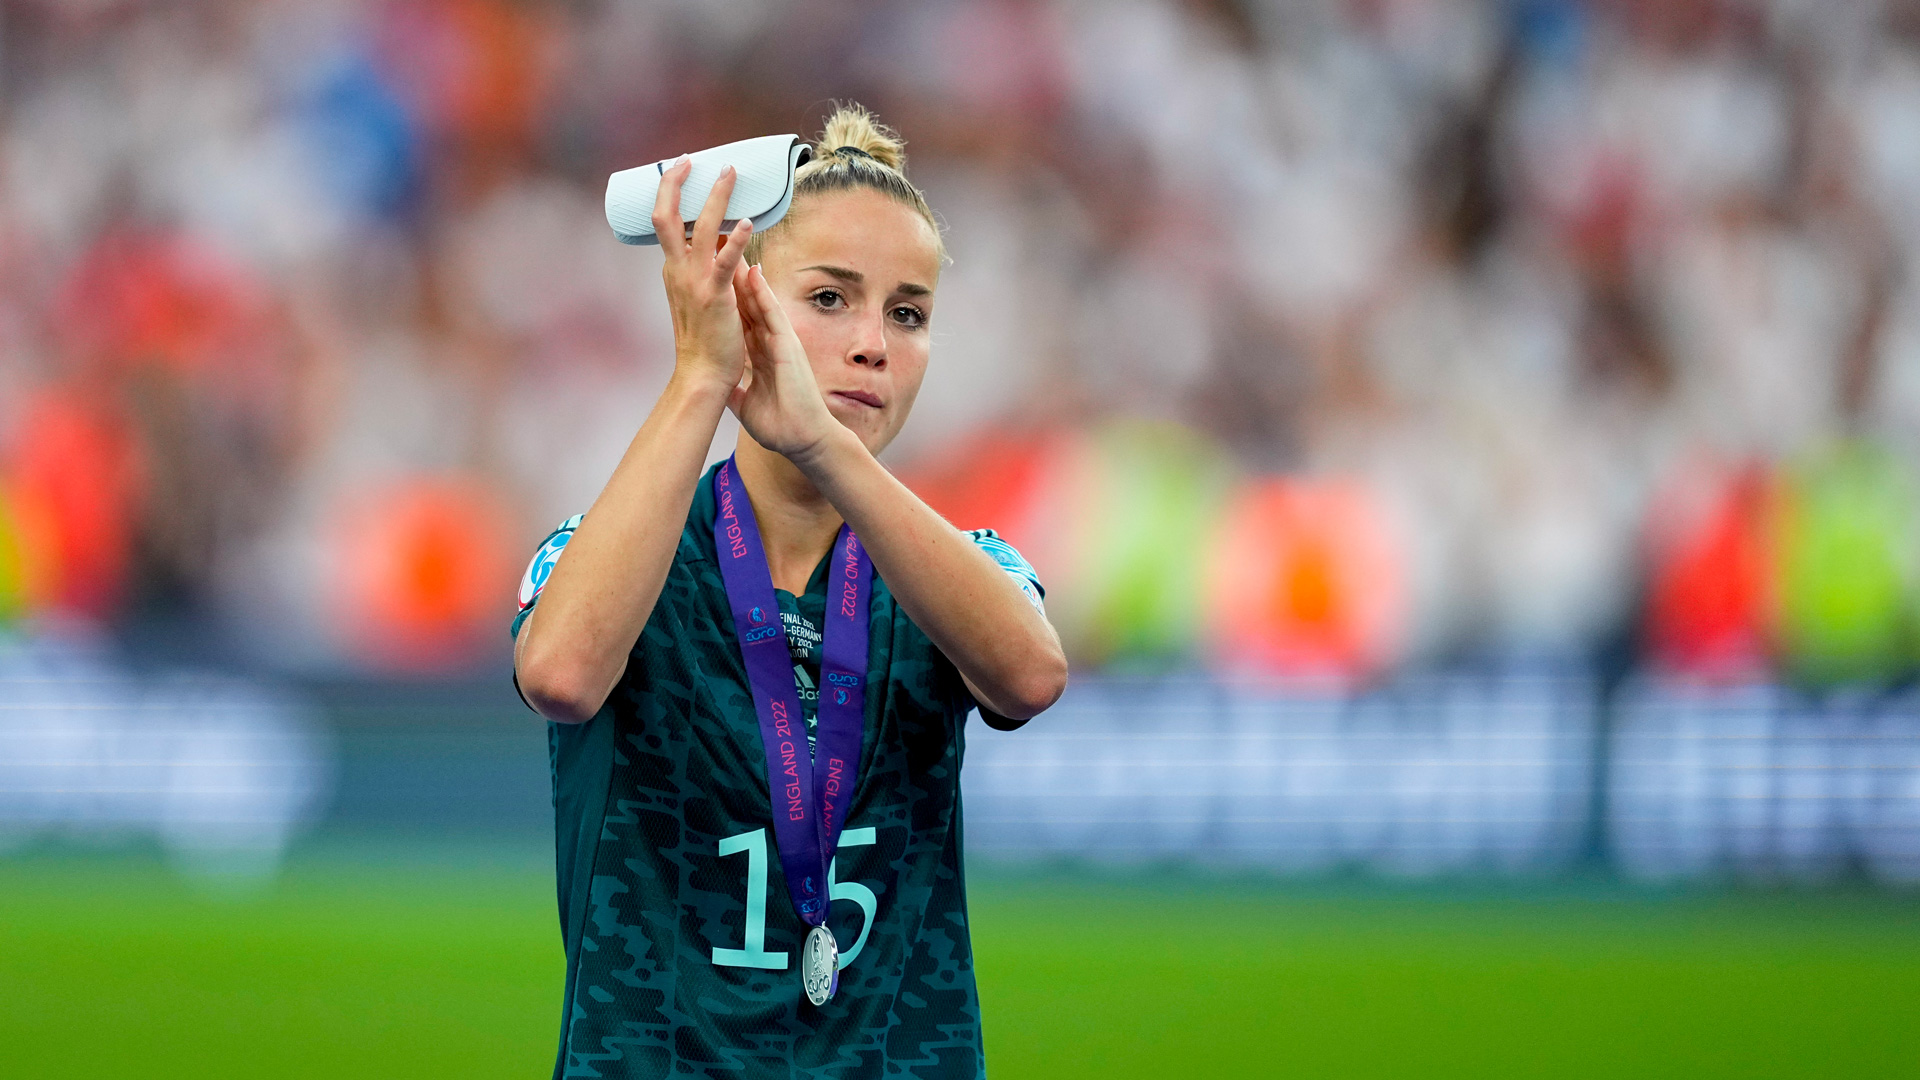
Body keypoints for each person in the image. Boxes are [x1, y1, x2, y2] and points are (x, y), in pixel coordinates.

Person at [510, 104, 1068, 1080]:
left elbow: (1031, 676)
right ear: (746, 300)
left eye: (908, 313)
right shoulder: (622, 554)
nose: (873, 343)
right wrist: (701, 375)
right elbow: (560, 673)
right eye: (830, 298)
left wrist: (823, 446)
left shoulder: (956, 570)